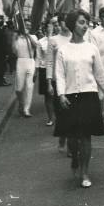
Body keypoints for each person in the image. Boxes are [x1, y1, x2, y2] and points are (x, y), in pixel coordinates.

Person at [54, 9, 104, 188]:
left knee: (86, 137)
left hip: (89, 95)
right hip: (70, 97)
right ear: (72, 25)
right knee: (72, 137)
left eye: (86, 22)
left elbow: (100, 74)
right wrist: (61, 94)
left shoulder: (91, 48)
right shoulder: (63, 50)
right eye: (81, 22)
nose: (85, 25)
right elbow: (60, 74)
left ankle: (85, 172)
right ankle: (75, 159)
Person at [46, 13, 72, 153]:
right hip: (58, 81)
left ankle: (70, 145)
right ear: (60, 23)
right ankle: (63, 137)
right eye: (63, 21)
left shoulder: (75, 38)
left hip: (72, 80)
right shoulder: (53, 40)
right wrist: (49, 83)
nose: (66, 24)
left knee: (72, 112)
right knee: (61, 113)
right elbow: (49, 62)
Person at [12, 19, 38, 118]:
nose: (27, 27)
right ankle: (21, 103)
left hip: (30, 61)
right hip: (20, 61)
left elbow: (36, 46)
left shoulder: (33, 37)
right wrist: (14, 39)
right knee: (19, 88)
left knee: (29, 87)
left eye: (29, 25)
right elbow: (13, 51)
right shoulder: (17, 38)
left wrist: (28, 36)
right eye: (26, 25)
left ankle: (26, 109)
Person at [36, 20, 55, 126]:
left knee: (57, 94)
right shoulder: (40, 42)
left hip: (55, 69)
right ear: (44, 29)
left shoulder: (57, 40)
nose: (50, 29)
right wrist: (36, 71)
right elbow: (38, 58)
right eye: (48, 27)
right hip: (44, 69)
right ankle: (50, 118)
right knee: (48, 96)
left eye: (51, 27)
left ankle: (58, 116)